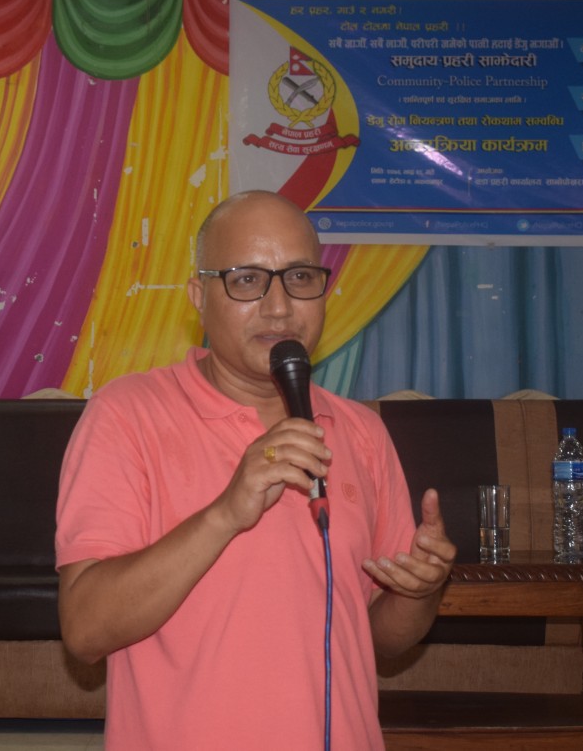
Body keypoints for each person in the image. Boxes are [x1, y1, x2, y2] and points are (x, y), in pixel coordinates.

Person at [55, 190, 456, 750]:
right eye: (247, 280)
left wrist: (423, 591)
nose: (279, 307)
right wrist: (224, 513)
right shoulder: (127, 415)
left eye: (300, 278)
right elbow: (85, 629)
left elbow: (380, 637)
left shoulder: (361, 431)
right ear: (199, 296)